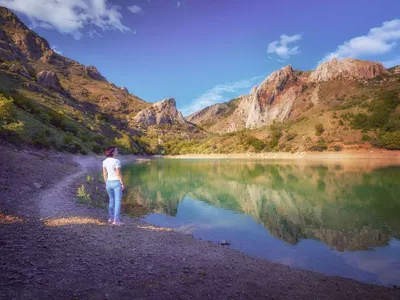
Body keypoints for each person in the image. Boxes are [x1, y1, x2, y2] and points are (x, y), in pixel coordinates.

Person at [103, 146, 124, 226]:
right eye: (116, 150)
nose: (117, 152)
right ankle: (116, 220)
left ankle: (111, 218)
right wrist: (122, 183)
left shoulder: (104, 161)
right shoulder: (117, 161)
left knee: (111, 200)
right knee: (117, 201)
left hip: (108, 182)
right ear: (112, 152)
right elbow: (118, 174)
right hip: (116, 182)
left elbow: (105, 173)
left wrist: (106, 183)